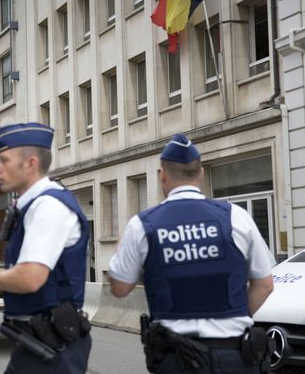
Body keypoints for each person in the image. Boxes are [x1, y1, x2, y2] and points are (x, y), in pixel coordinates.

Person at [108, 134, 276, 373]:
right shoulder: (236, 216)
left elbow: (120, 288)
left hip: (176, 361)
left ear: (162, 175)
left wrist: (120, 245)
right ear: (201, 174)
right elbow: (265, 285)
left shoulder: (143, 225)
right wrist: (234, 315)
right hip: (236, 356)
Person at [0, 123, 92, 374]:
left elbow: (30, 278)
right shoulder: (32, 205)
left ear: (31, 164)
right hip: (37, 341)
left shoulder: (48, 206)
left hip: (52, 347)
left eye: (3, 160)